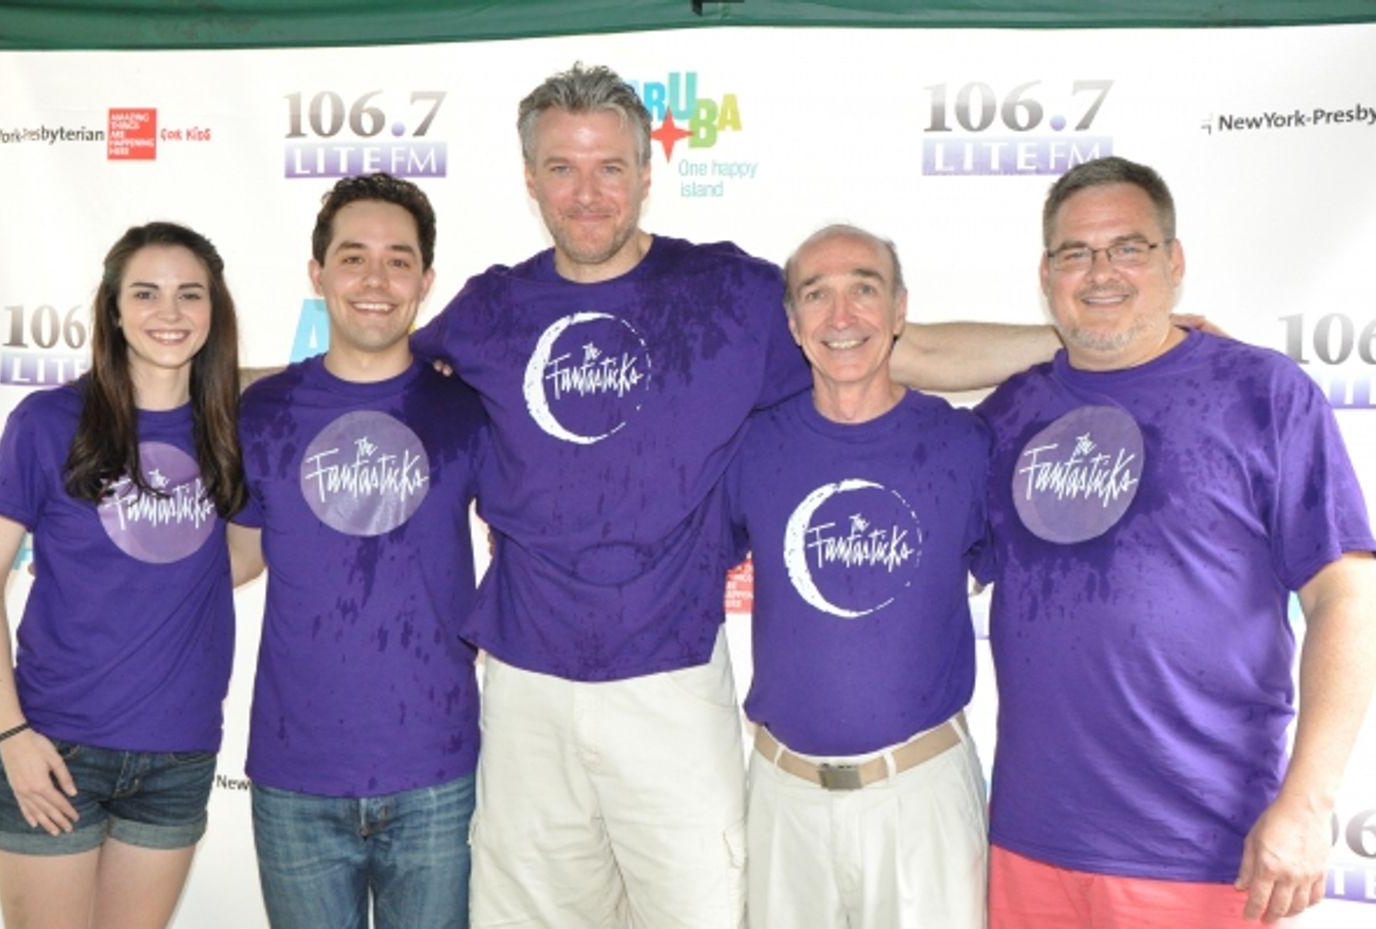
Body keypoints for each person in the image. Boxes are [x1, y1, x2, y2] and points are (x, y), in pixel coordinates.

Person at [409, 62, 1052, 929]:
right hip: (526, 687)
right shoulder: (490, 309)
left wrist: (1079, 340)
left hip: (672, 681)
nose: (588, 193)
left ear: (647, 172)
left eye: (610, 167)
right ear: (530, 179)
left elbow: (897, 349)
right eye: (563, 167)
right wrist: (222, 389)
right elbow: (375, 378)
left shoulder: (729, 295)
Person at [976, 155, 1376, 928]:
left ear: (1175, 261)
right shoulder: (1013, 411)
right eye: (1075, 253)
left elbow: (1347, 597)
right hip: (1030, 845)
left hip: (1203, 851)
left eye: (1128, 247)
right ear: (1046, 275)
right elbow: (889, 350)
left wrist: (1308, 803)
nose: (1101, 272)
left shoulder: (1262, 392)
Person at [227, 172, 486, 929]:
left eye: (398, 260)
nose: (376, 279)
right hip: (296, 771)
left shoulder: (469, 407)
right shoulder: (262, 411)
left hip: (437, 770)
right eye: (353, 258)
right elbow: (237, 556)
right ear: (318, 275)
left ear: (426, 281)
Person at [0, 222, 244, 929]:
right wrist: (11, 735)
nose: (169, 312)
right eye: (146, 293)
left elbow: (238, 558)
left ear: (214, 310)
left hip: (178, 753)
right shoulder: (48, 421)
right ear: (114, 309)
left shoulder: (229, 429)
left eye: (190, 294)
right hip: (54, 745)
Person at [726, 224, 989, 929]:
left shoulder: (963, 445)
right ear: (793, 323)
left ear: (900, 310)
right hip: (784, 800)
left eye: (864, 290)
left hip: (921, 798)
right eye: (817, 295)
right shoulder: (752, 445)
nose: (841, 317)